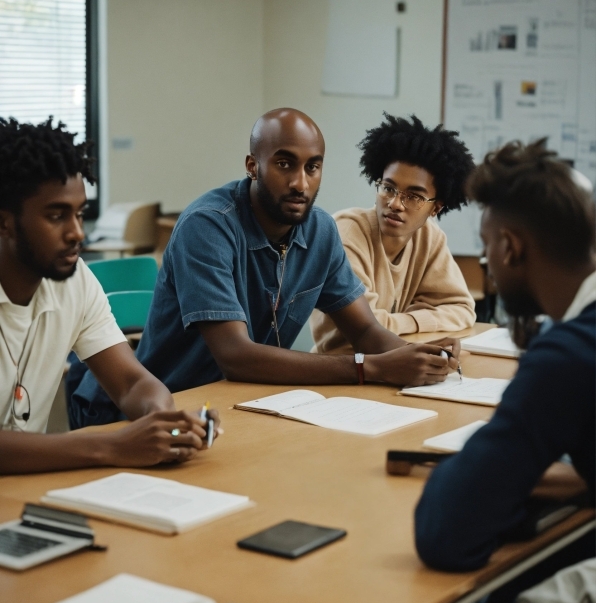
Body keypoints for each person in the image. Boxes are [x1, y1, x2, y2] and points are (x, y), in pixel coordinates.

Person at [382, 139, 595, 603]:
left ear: (509, 247)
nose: (489, 269)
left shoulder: (571, 355)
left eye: (486, 252)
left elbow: (445, 534)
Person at [132, 108, 462, 395]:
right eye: (285, 164)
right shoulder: (206, 227)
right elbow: (236, 356)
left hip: (249, 400)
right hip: (170, 403)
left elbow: (365, 331)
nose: (300, 183)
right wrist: (368, 368)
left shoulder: (319, 231)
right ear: (252, 165)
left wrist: (419, 357)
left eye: (312, 167)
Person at [0, 117, 219, 474]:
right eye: (56, 216)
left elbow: (131, 382)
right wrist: (114, 445)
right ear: (4, 222)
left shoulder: (75, 281)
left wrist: (163, 422)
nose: (76, 233)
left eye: (80, 214)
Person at [311, 114, 476, 354]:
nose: (396, 203)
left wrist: (404, 321)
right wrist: (419, 317)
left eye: (414, 196)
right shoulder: (346, 233)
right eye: (388, 188)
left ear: (436, 208)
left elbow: (462, 309)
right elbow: (364, 329)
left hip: (393, 358)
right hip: (340, 368)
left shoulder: (429, 237)